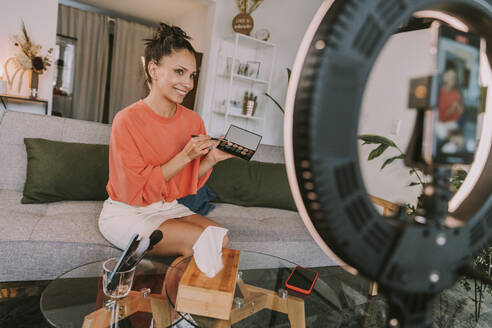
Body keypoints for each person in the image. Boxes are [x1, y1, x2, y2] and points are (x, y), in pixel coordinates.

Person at [98, 23, 234, 258]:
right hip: (127, 211)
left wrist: (211, 158)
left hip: (167, 207)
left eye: (192, 75)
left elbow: (185, 183)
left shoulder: (193, 121)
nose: (188, 84)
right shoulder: (127, 120)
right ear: (153, 70)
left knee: (221, 238)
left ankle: (184, 293)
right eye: (179, 72)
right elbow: (133, 191)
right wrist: (185, 156)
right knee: (200, 242)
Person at [436, 61, 464, 141]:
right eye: (451, 77)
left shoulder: (457, 94)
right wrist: (453, 107)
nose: (453, 80)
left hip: (453, 125)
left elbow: (460, 115)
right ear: (445, 77)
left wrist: (459, 108)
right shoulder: (439, 93)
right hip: (441, 125)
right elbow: (441, 117)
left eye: (454, 78)